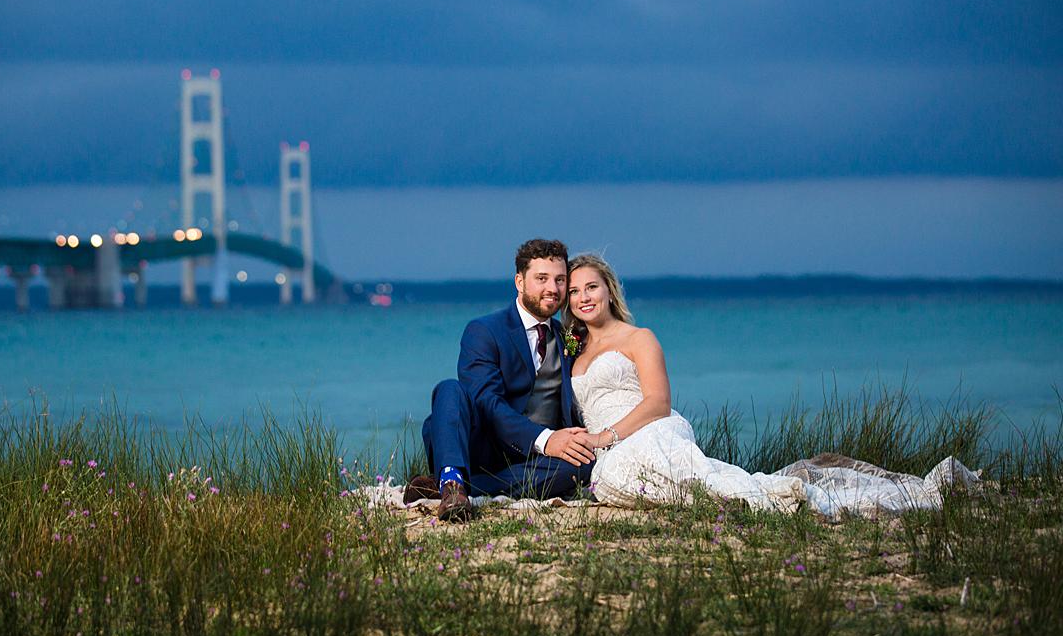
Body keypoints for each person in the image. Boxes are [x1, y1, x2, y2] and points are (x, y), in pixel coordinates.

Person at [564, 252, 979, 517]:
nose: (584, 297)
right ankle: (748, 497)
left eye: (592, 287)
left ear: (608, 290)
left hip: (649, 429)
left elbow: (657, 402)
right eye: (575, 291)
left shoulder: (640, 338)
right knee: (613, 482)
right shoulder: (571, 352)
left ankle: (765, 499)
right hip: (606, 450)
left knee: (673, 472)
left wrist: (607, 435)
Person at [409, 239, 597, 521]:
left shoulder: (567, 337)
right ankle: (451, 479)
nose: (552, 288)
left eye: (560, 280)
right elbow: (486, 402)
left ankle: (459, 489)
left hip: (534, 463)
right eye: (541, 278)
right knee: (449, 389)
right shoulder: (484, 330)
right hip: (483, 447)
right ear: (519, 282)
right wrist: (546, 440)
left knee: (583, 464)